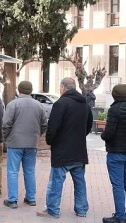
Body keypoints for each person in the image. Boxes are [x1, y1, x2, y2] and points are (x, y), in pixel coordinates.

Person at [37, 77, 93, 219]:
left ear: (63, 87)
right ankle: (81, 209)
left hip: (62, 151)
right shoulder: (84, 104)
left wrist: (50, 141)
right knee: (80, 182)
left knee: (56, 181)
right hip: (79, 151)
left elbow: (53, 127)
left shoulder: (60, 104)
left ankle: (52, 209)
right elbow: (88, 125)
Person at [2, 81, 48, 209]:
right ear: (31, 91)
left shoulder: (13, 104)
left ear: (19, 90)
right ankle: (31, 198)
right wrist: (37, 135)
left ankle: (12, 199)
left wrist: (6, 137)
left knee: (12, 171)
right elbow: (44, 125)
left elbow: (6, 124)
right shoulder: (39, 106)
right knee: (30, 170)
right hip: (32, 143)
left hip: (15, 142)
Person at [101, 84, 126, 223]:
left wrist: (103, 136)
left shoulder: (114, 110)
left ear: (114, 95)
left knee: (118, 185)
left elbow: (109, 133)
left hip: (116, 153)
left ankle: (120, 217)